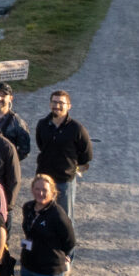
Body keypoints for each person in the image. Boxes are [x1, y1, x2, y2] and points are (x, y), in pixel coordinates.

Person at [34, 90, 92, 225]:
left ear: (68, 106)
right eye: (54, 102)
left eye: (61, 103)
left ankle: (65, 246)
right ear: (50, 104)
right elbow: (41, 145)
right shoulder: (42, 124)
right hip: (44, 178)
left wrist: (70, 166)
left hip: (64, 180)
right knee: (42, 214)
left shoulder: (77, 128)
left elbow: (86, 153)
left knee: (64, 218)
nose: (57, 106)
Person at [0, 83, 33, 163]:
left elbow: (24, 150)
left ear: (11, 98)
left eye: (3, 96)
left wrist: (9, 161)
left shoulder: (18, 123)